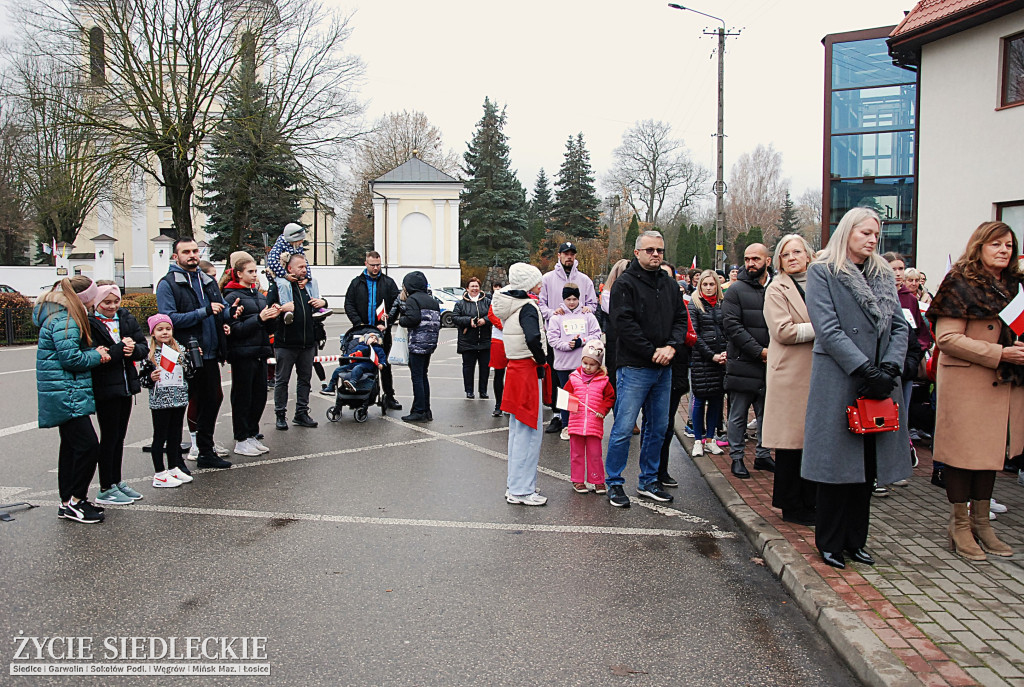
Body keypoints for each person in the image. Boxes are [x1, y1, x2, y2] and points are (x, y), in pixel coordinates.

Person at [802, 207, 911, 570]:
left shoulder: (882, 275)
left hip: (880, 380)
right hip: (841, 379)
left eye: (876, 234)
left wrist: (890, 368)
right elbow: (828, 329)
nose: (872, 239)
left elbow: (899, 327)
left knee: (866, 465)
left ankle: (855, 539)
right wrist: (864, 368)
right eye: (865, 232)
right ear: (847, 232)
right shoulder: (823, 271)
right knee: (837, 466)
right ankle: (830, 541)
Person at [927, 221, 1022, 561]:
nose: (1003, 250)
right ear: (980, 245)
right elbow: (947, 339)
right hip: (969, 382)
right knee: (962, 456)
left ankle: (983, 524)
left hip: (1006, 384)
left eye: (1009, 245)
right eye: (996, 244)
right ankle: (959, 525)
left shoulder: (1016, 286)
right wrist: (1000, 353)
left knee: (988, 457)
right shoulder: (959, 282)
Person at [604, 231, 688, 508]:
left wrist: (672, 347)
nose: (655, 255)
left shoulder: (670, 285)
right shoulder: (624, 285)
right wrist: (652, 351)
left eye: (660, 250)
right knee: (624, 427)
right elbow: (623, 325)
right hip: (635, 367)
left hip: (664, 367)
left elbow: (680, 319)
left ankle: (649, 480)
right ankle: (614, 482)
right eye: (650, 250)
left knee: (659, 427)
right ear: (637, 252)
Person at [35, 276, 111, 524]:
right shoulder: (66, 320)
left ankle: (68, 501)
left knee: (70, 449)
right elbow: (71, 359)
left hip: (63, 392)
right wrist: (96, 354)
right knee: (88, 447)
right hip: (67, 393)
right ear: (84, 300)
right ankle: (76, 501)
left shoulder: (58, 316)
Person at [156, 237, 232, 469]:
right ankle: (175, 460)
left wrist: (230, 314)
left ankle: (205, 452)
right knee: (180, 405)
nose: (192, 255)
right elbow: (169, 319)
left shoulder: (206, 279)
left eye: (195, 251)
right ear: (175, 256)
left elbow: (221, 309)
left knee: (213, 399)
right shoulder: (168, 284)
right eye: (186, 252)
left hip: (209, 353)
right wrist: (204, 312)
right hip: (184, 355)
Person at [762, 235, 818, 526]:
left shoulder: (822, 283)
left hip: (819, 373)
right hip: (790, 374)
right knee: (790, 443)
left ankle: (812, 500)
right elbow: (783, 331)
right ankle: (791, 505)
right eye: (785, 254)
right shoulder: (776, 289)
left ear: (808, 255)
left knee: (813, 442)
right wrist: (823, 329)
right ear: (779, 261)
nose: (792, 257)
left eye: (797, 252)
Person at [492, 263, 550, 506]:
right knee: (529, 432)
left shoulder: (512, 306)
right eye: (537, 281)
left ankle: (515, 485)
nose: (540, 285)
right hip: (526, 370)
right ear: (529, 284)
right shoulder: (527, 307)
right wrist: (542, 358)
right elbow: (533, 337)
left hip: (515, 369)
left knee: (518, 432)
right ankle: (522, 490)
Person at [89, 282, 148, 505]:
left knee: (119, 437)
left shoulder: (125, 318)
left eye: (115, 302)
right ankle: (105, 487)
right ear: (96, 302)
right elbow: (98, 356)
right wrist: (119, 349)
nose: (112, 306)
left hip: (126, 385)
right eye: (107, 302)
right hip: (106, 387)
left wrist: (133, 350)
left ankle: (116, 480)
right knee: (109, 437)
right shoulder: (91, 323)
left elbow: (143, 346)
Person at [722, 243, 775, 478]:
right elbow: (732, 326)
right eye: (747, 258)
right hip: (743, 362)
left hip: (772, 364)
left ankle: (763, 455)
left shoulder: (778, 287)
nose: (751, 263)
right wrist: (760, 352)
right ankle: (737, 457)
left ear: (768, 261)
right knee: (738, 413)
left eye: (756, 258)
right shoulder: (735, 290)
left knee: (767, 413)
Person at [222, 252, 280, 456]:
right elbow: (234, 328)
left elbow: (266, 326)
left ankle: (252, 434)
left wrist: (273, 316)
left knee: (259, 396)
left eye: (256, 271)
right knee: (242, 397)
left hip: (260, 351)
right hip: (242, 353)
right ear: (238, 274)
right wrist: (259, 318)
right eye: (251, 271)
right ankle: (241, 437)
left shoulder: (258, 294)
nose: (255, 275)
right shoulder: (231, 296)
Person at [540, 241, 598, 434]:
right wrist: (551, 313)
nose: (569, 257)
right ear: (559, 256)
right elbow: (541, 305)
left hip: (580, 344)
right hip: (557, 339)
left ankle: (576, 419)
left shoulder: (584, 279)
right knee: (558, 379)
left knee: (579, 383)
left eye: (572, 254)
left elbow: (592, 303)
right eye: (566, 254)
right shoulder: (548, 279)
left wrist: (589, 308)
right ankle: (559, 416)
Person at [267, 253, 326, 430]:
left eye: (305, 266)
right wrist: (281, 309)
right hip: (286, 342)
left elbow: (320, 306)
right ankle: (280, 414)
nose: (304, 269)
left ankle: (301, 413)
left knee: (305, 380)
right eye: (300, 266)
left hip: (308, 342)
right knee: (282, 380)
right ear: (289, 268)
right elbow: (268, 312)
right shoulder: (279, 286)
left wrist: (323, 301)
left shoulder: (306, 286)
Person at [139, 314, 194, 488]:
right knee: (160, 436)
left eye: (168, 329)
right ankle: (159, 473)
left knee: (175, 435)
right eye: (160, 329)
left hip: (179, 398)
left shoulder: (180, 350)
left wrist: (191, 360)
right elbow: (142, 380)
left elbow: (191, 373)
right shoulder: (149, 354)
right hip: (160, 401)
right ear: (153, 332)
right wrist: (151, 377)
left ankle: (173, 467)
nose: (165, 332)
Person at [343, 251, 402, 410]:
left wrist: (387, 322)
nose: (376, 268)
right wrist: (359, 323)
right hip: (361, 333)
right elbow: (349, 304)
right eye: (372, 265)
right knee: (360, 363)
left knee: (385, 365)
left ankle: (389, 396)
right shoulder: (356, 283)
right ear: (366, 264)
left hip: (382, 333)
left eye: (378, 265)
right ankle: (360, 396)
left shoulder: (388, 283)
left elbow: (396, 306)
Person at [653, 262, 692, 487]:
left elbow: (689, 334)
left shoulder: (682, 307)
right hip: (651, 367)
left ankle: (662, 470)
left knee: (666, 424)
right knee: (653, 424)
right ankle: (649, 471)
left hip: (675, 369)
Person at [546, 282, 602, 440]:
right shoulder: (557, 317)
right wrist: (566, 345)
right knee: (566, 396)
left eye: (574, 299)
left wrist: (581, 341)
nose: (571, 302)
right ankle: (566, 425)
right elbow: (552, 339)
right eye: (568, 299)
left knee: (583, 396)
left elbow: (596, 334)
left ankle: (583, 425)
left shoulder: (587, 315)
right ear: (563, 299)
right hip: (563, 364)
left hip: (583, 365)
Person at [563, 339, 614, 493]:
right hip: (576, 423)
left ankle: (597, 480)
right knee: (576, 454)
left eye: (592, 364)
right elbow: (566, 395)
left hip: (594, 423)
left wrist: (603, 410)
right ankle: (578, 480)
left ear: (599, 365)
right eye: (585, 363)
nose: (587, 367)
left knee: (595, 454)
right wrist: (570, 404)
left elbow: (609, 398)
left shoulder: (604, 381)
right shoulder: (574, 378)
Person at [688, 270, 727, 457]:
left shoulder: (722, 304)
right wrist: (711, 355)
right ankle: (698, 439)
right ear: (700, 285)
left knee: (716, 400)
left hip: (721, 358)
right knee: (700, 399)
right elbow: (694, 334)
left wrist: (726, 351)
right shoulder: (694, 305)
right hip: (702, 359)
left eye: (712, 284)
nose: (709, 288)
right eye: (705, 284)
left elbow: (728, 328)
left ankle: (711, 439)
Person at [394, 271, 441, 423]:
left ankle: (419, 411)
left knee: (417, 377)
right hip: (430, 343)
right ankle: (426, 410)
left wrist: (402, 319)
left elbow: (412, 319)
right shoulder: (432, 300)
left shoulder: (413, 299)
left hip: (417, 343)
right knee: (423, 375)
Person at [266, 222, 330, 322]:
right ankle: (288, 308)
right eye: (300, 267)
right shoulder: (279, 245)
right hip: (280, 273)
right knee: (284, 284)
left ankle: (317, 306)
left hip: (289, 273)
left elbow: (304, 261)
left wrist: (307, 278)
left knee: (313, 281)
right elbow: (272, 262)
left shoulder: (297, 246)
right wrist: (285, 275)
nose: (302, 242)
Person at [453, 277, 492, 400]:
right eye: (472, 286)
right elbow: (455, 318)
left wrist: (484, 320)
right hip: (467, 341)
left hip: (485, 340)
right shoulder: (460, 304)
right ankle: (469, 391)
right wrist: (469, 321)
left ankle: (483, 391)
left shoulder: (487, 302)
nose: (475, 288)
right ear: (467, 289)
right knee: (468, 368)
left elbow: (493, 315)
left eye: (476, 286)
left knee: (485, 367)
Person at [322, 331, 388, 394]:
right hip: (354, 363)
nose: (373, 339)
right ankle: (331, 387)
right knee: (338, 370)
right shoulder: (359, 346)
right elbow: (352, 354)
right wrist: (344, 356)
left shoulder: (378, 349)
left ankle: (353, 382)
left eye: (375, 338)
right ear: (366, 339)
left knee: (358, 368)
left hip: (367, 365)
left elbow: (382, 357)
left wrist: (382, 364)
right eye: (371, 337)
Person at [600, 259, 630, 389]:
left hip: (629, 335)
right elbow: (613, 312)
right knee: (613, 367)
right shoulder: (607, 294)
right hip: (615, 335)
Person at [487, 281, 507, 417]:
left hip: (514, 339)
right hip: (498, 339)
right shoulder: (497, 297)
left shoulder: (515, 294)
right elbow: (491, 314)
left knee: (513, 374)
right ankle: (499, 404)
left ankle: (511, 404)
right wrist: (502, 326)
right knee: (499, 374)